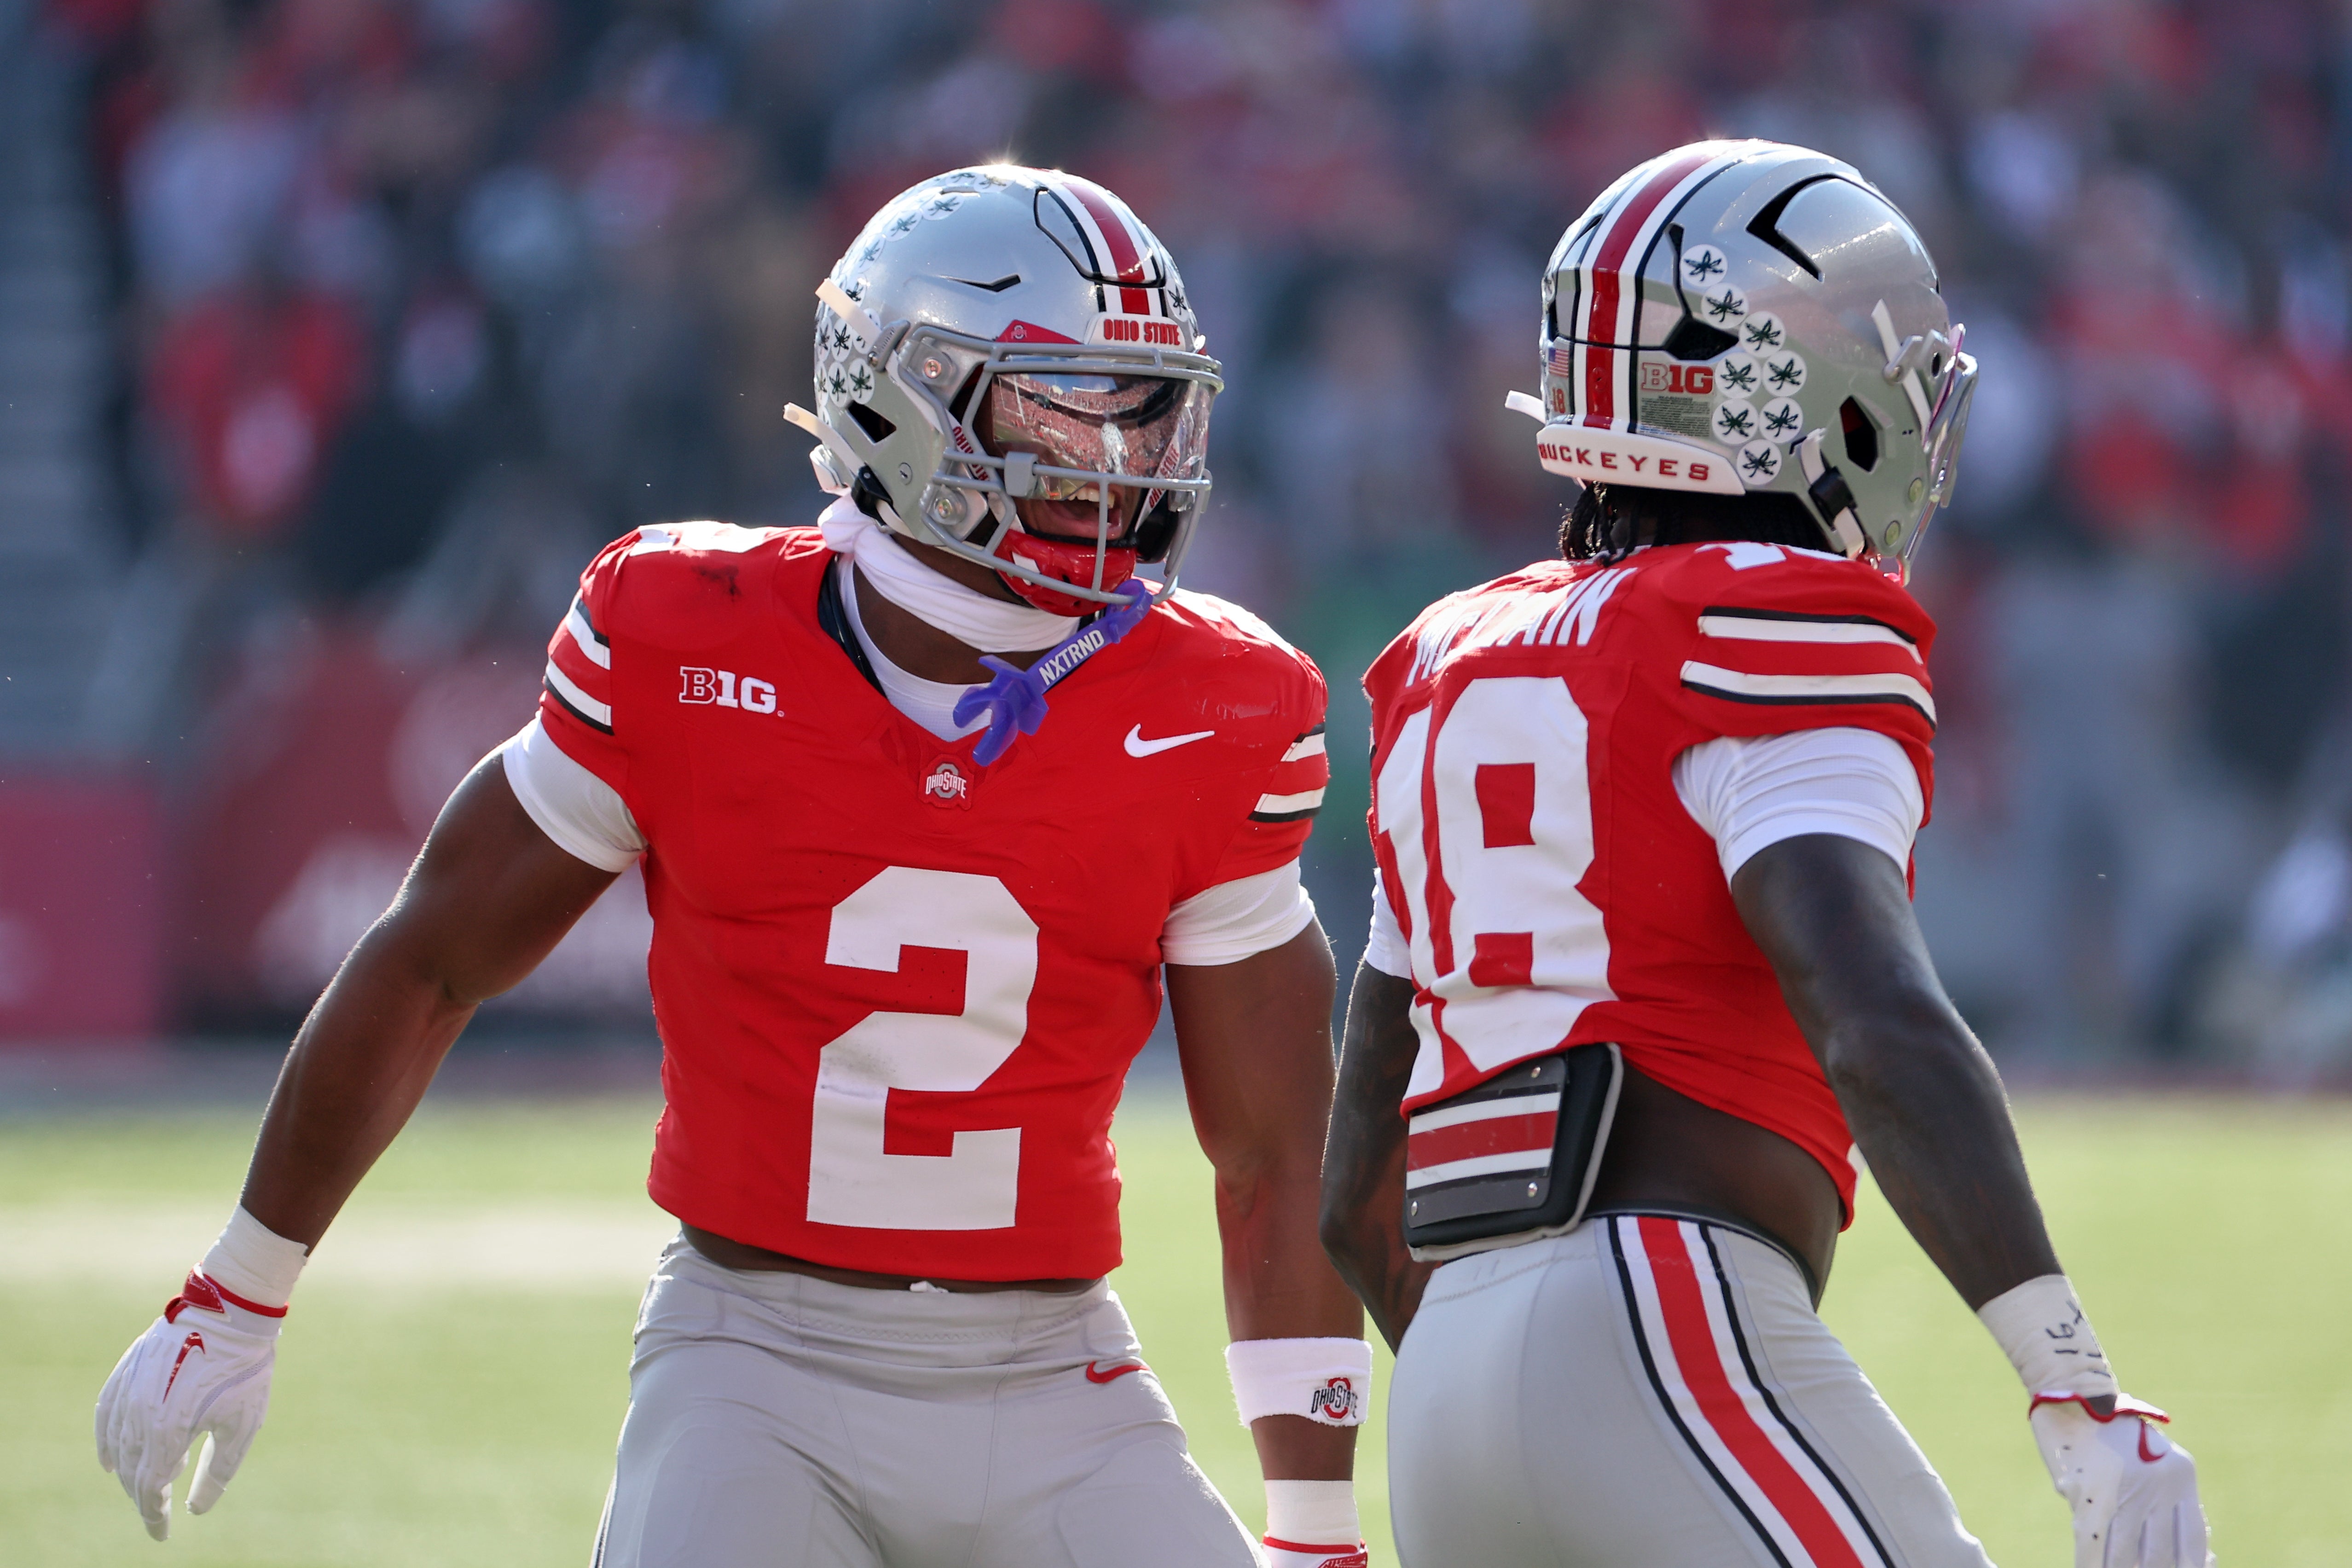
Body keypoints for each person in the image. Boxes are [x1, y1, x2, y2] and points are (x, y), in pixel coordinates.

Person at [96, 165, 1376, 1568]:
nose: (1118, 459)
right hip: (753, 1358)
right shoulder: (689, 630)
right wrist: (239, 1290)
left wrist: (1314, 1532)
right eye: (1064, 401)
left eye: (1145, 407)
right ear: (901, 395)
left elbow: (1272, 1148)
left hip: (1052, 1370)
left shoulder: (1221, 698)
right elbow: (432, 960)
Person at [1320, 140, 2213, 1568]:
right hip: (1662, 1311)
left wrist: (1506, 1374)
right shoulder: (1785, 623)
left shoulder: (1448, 656)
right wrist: (2073, 1387)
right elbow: (1872, 1020)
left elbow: (1354, 1178)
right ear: (1784, 395)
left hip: (1445, 1393)